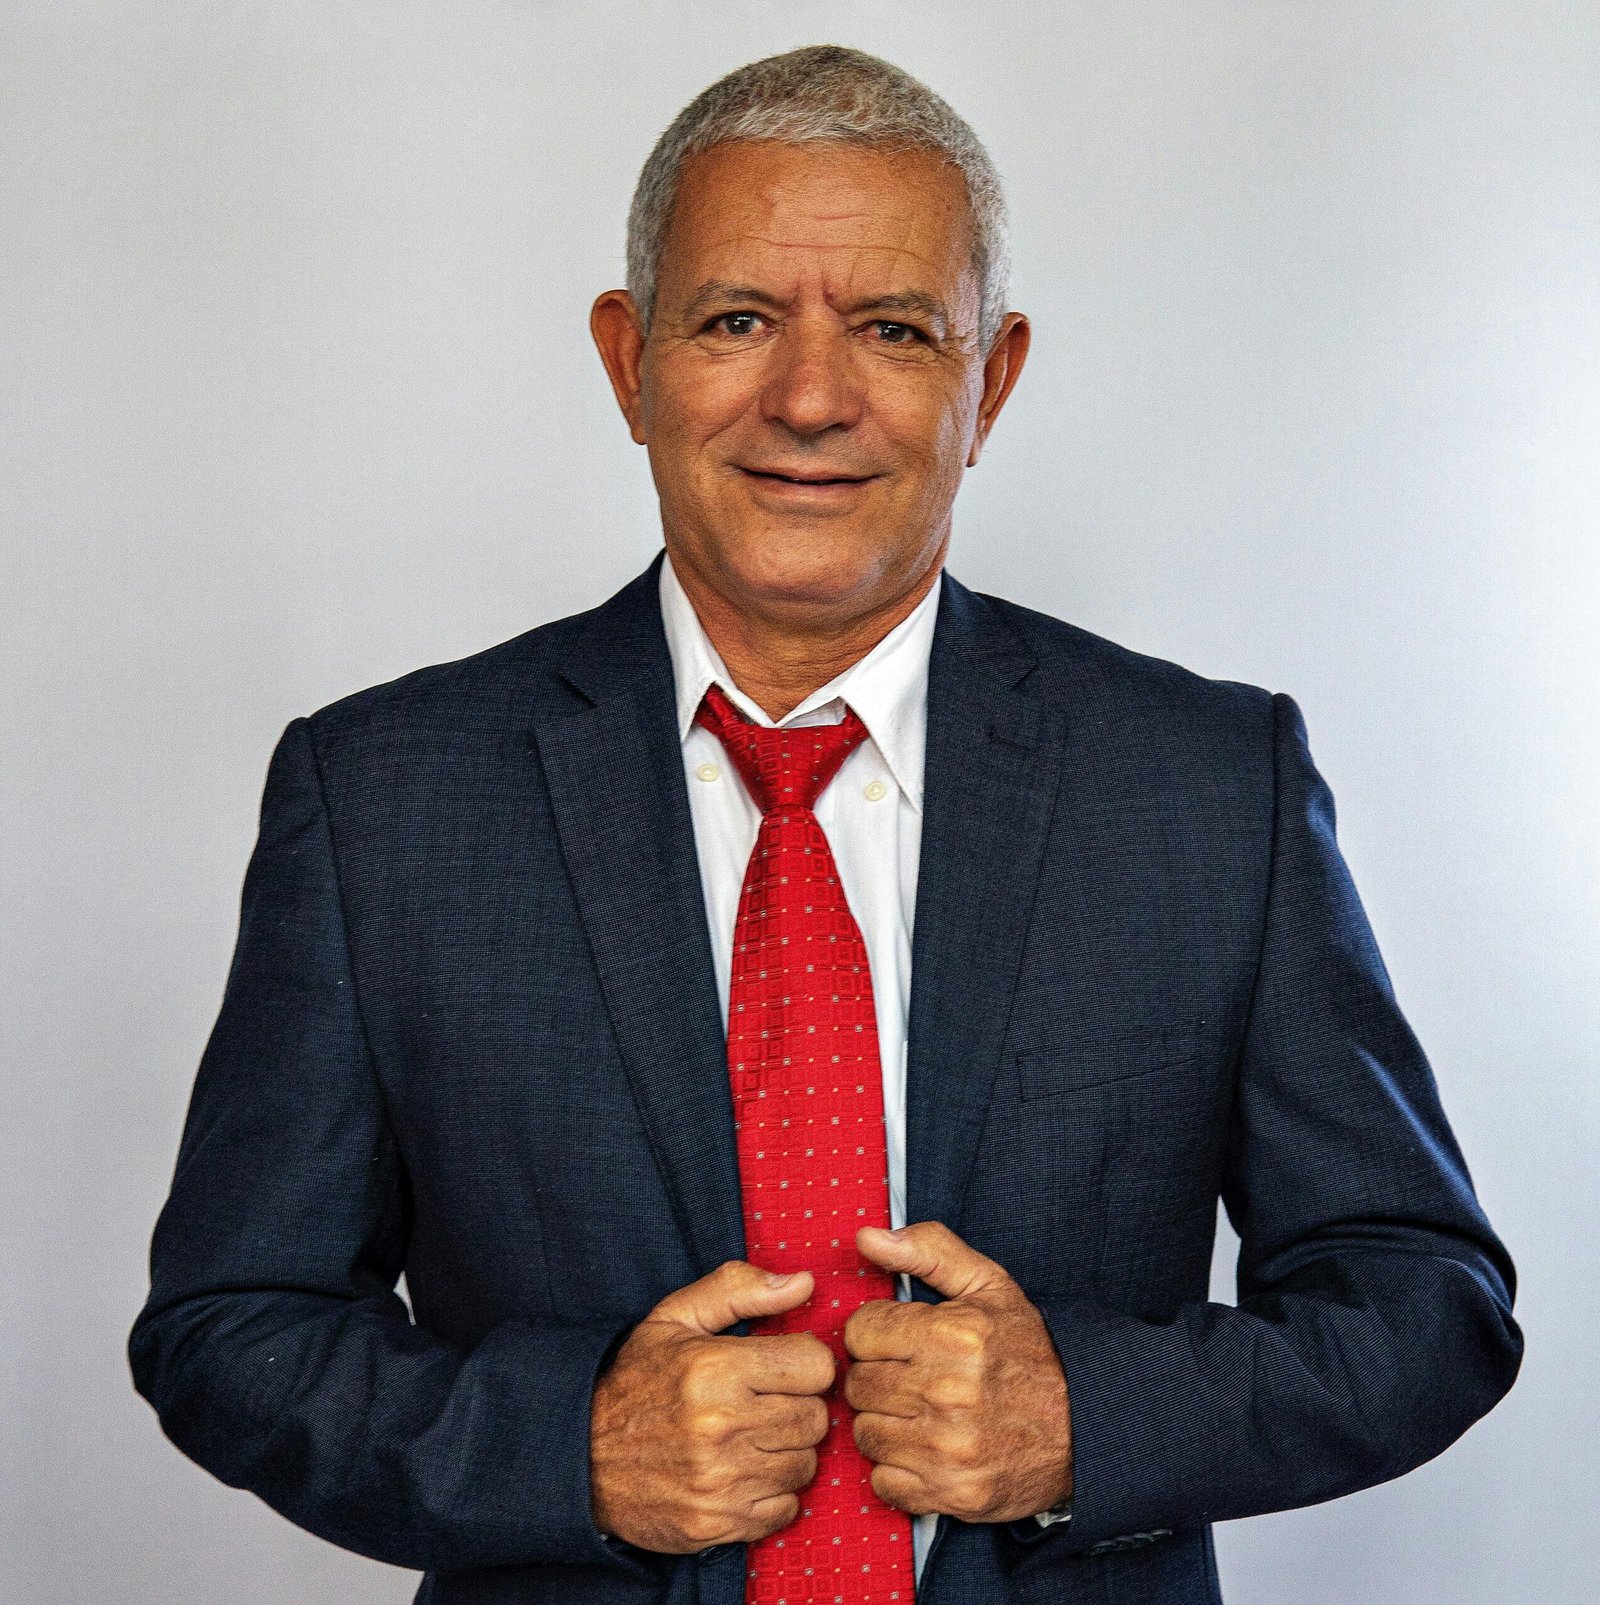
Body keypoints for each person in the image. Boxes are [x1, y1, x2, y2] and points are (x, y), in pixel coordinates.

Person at [129, 44, 1522, 1605]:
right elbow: (230, 1324)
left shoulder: (1210, 783)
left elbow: (1424, 1301)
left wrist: (1086, 1416)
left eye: (893, 329)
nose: (809, 396)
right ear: (628, 358)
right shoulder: (384, 794)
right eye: (736, 321)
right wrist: (574, 1443)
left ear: (987, 381)